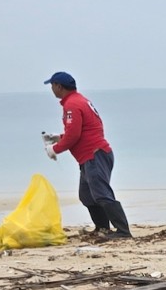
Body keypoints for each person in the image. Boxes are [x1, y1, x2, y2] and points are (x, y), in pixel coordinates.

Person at [42, 72, 130, 240]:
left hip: (94, 155)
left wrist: (54, 149)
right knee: (87, 195)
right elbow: (84, 130)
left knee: (102, 194)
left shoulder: (72, 105)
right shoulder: (79, 100)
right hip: (91, 156)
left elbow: (73, 136)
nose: (51, 89)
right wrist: (58, 137)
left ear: (59, 86)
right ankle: (102, 228)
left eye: (52, 85)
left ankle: (123, 231)